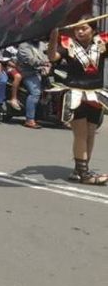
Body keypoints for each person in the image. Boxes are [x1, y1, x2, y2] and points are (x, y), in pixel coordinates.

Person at [48, 20, 108, 185]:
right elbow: (52, 57)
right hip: (75, 93)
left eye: (84, 28)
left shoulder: (102, 43)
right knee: (80, 134)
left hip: (95, 94)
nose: (79, 32)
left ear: (93, 30)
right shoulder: (68, 45)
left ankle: (79, 169)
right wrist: (53, 38)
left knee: (90, 132)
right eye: (76, 29)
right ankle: (85, 175)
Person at [17, 39, 50, 129]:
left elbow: (48, 56)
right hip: (28, 73)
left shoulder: (43, 44)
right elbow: (30, 59)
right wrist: (44, 63)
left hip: (42, 72)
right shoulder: (23, 45)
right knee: (35, 93)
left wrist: (49, 63)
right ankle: (29, 120)